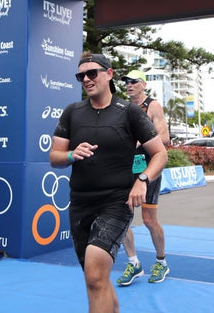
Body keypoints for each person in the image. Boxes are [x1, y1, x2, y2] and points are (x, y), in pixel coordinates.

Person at [49, 53, 168, 313]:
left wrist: (143, 180)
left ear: (109, 74)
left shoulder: (130, 112)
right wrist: (71, 154)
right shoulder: (72, 112)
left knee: (94, 275)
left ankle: (161, 260)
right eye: (82, 76)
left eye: (93, 73)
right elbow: (54, 157)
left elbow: (161, 153)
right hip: (80, 204)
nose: (87, 80)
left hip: (116, 202)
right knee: (96, 278)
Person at [116, 70, 170, 286]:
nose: (129, 85)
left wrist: (140, 142)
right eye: (126, 82)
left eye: (133, 82)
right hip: (126, 169)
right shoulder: (122, 108)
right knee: (121, 218)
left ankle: (161, 261)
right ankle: (133, 262)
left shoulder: (153, 106)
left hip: (148, 168)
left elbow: (164, 137)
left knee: (148, 220)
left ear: (143, 85)